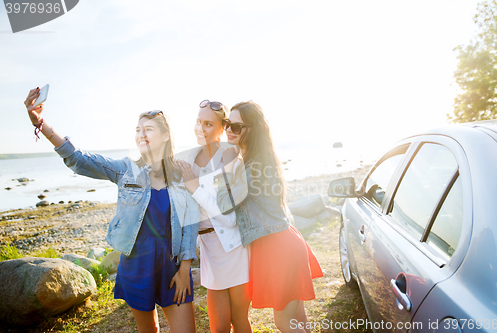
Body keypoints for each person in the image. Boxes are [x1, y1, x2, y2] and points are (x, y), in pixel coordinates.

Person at [23, 87, 200, 333]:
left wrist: (184, 269)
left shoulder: (182, 174)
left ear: (166, 136)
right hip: (136, 263)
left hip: (172, 265)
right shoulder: (126, 169)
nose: (141, 135)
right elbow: (79, 159)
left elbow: (190, 224)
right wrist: (41, 124)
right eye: (138, 130)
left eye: (148, 129)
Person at [216, 101, 323, 333]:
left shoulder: (251, 167)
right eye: (227, 124)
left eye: (236, 126)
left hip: (278, 249)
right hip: (285, 242)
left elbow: (225, 205)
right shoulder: (260, 159)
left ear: (252, 129)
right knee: (297, 320)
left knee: (284, 323)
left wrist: (225, 172)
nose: (228, 130)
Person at [177, 100, 251, 333]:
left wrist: (194, 186)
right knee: (218, 327)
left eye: (208, 124)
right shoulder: (187, 160)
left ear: (223, 128)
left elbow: (229, 218)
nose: (200, 128)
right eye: (198, 122)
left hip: (233, 248)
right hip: (208, 249)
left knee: (239, 321)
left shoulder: (228, 157)